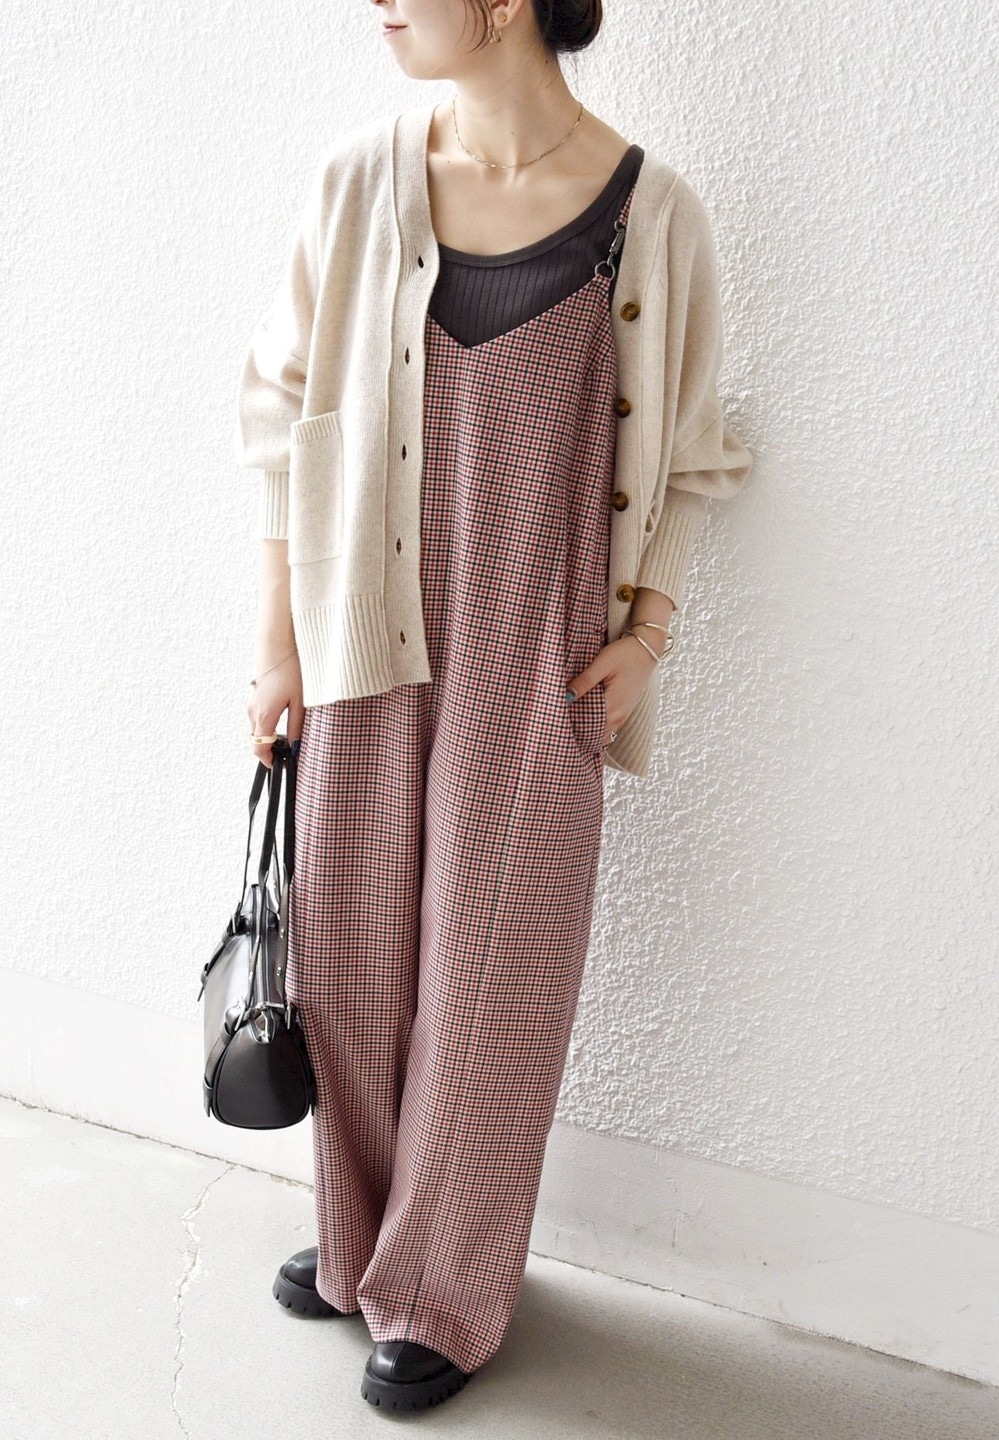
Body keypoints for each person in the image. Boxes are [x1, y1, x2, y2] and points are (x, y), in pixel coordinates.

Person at [233, 0, 753, 1415]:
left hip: (540, 662)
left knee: (492, 974)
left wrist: (648, 634)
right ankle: (363, 1246)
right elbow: (279, 419)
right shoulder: (360, 181)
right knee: (348, 956)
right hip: (361, 634)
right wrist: (276, 648)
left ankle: (446, 1291)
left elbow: (690, 456)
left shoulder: (651, 216)